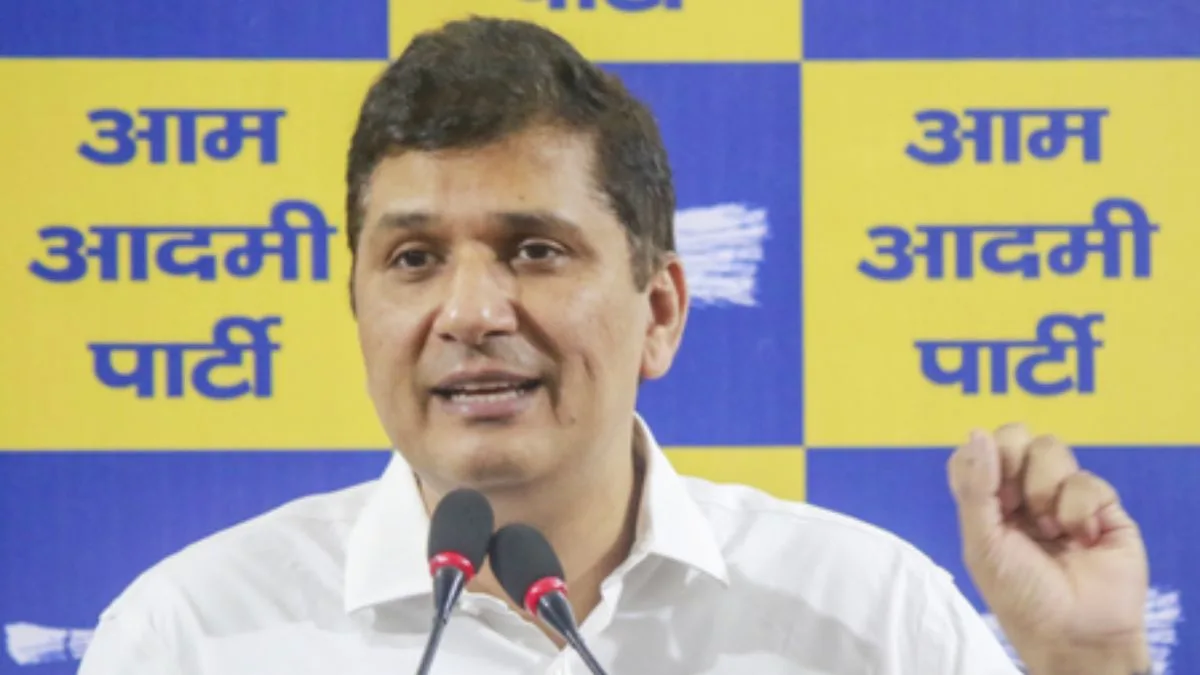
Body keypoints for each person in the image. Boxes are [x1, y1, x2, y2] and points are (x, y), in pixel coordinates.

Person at [79, 16, 1151, 675]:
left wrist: (1093, 664)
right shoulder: (190, 637)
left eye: (535, 250)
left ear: (663, 310)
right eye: (413, 259)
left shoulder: (867, 616)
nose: (470, 312)